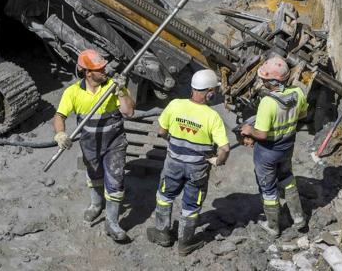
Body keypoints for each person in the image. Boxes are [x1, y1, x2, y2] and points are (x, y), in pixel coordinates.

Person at [52, 49, 135, 242]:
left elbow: (129, 112)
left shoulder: (114, 86)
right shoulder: (72, 92)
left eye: (104, 66)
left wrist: (122, 91)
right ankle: (96, 205)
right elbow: (59, 116)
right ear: (88, 72)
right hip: (89, 142)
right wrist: (60, 133)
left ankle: (112, 223)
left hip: (114, 141)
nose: (105, 70)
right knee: (94, 173)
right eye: (100, 68)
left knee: (116, 179)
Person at [146, 69, 230, 256]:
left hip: (173, 163)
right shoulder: (212, 116)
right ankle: (185, 243)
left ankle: (162, 233)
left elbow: (161, 131)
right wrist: (218, 161)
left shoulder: (175, 105)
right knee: (191, 205)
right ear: (209, 92)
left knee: (164, 196)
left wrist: (174, 143)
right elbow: (224, 148)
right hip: (197, 169)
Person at [240, 55, 308, 237]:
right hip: (287, 147)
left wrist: (248, 130)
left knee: (268, 188)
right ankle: (299, 218)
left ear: (272, 81)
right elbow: (302, 115)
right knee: (287, 178)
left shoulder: (267, 103)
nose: (261, 81)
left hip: (268, 151)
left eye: (263, 79)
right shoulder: (298, 93)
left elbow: (261, 134)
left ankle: (273, 226)